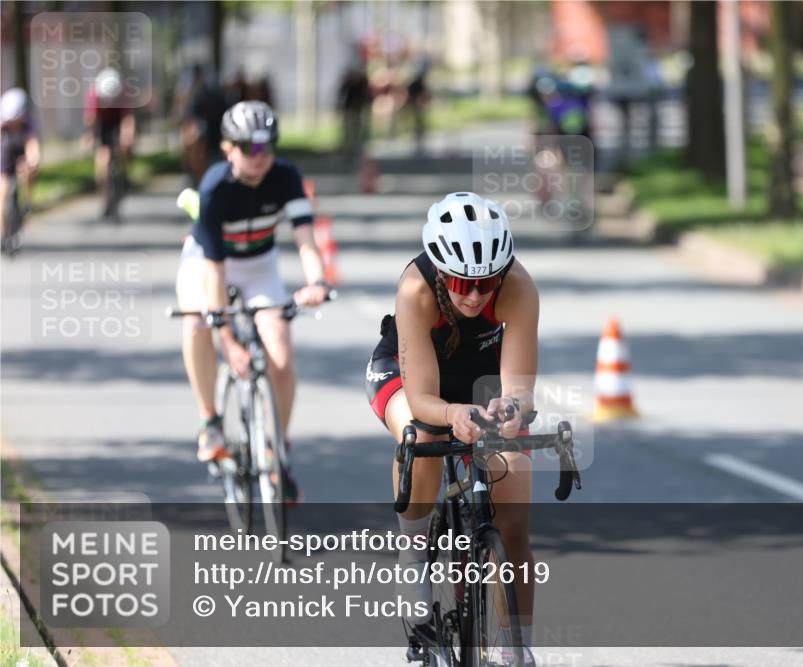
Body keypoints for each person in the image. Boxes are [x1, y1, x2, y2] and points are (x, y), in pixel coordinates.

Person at [364, 192, 539, 665]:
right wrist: (451, 415)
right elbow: (423, 398)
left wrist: (510, 407)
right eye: (462, 283)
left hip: (479, 378)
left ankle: (515, 648)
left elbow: (520, 390)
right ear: (442, 272)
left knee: (514, 517)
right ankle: (413, 550)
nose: (475, 296)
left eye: (486, 283)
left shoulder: (519, 287)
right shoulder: (415, 288)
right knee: (423, 435)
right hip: (409, 377)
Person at [175, 101, 328, 504]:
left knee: (281, 358)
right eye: (249, 148)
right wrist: (227, 341)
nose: (259, 156)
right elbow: (214, 273)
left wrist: (316, 281)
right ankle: (210, 420)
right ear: (228, 148)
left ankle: (277, 451)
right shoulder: (214, 187)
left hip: (259, 265)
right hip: (209, 263)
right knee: (197, 322)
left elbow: (306, 239)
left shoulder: (286, 176)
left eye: (266, 146)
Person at [83, 68, 135, 218]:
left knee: (126, 145)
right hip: (103, 124)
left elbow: (128, 119)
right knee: (102, 163)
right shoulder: (94, 94)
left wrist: (127, 138)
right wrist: (89, 138)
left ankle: (125, 173)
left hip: (118, 121)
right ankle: (104, 197)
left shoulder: (123, 92)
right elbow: (91, 120)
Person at [0, 88, 40, 254]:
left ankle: (27, 201)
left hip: (22, 151)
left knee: (28, 171)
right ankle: (3, 233)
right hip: (6, 153)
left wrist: (33, 161)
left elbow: (32, 145)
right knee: (3, 192)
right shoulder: (2, 124)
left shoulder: (28, 124)